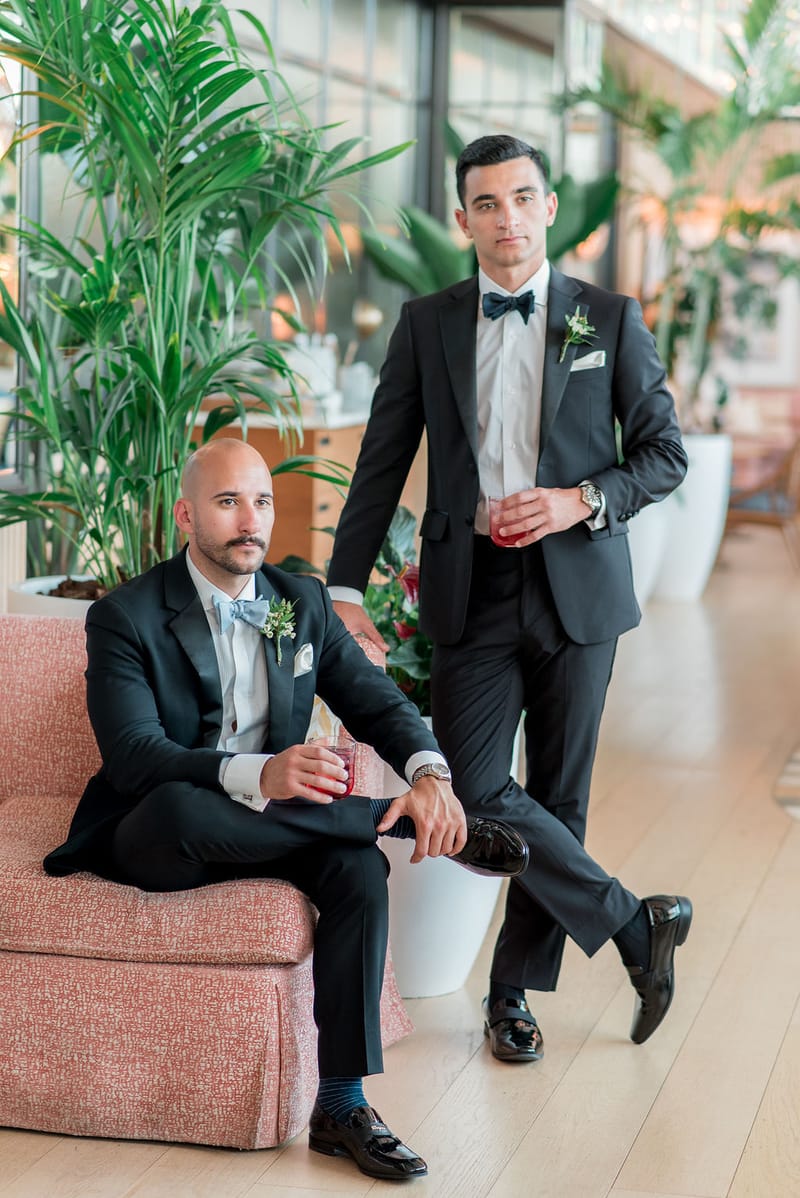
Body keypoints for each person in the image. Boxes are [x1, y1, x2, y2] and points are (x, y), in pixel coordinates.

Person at [43, 436, 528, 1182]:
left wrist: (430, 775)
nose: (250, 521)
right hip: (159, 833)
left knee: (357, 870)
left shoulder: (296, 602)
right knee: (182, 805)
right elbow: (135, 756)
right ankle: (378, 817)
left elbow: (375, 703)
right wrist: (259, 772)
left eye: (261, 501)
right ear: (185, 514)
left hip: (273, 827)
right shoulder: (125, 616)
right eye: (228, 501)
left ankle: (342, 1104)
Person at [327, 134, 693, 1065]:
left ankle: (511, 999)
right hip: (471, 591)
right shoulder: (427, 322)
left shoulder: (608, 317)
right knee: (474, 786)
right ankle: (631, 925)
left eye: (522, 198)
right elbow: (380, 462)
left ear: (549, 206)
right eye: (486, 204)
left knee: (559, 799)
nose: (507, 219)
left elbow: (663, 456)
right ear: (463, 220)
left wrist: (580, 500)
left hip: (579, 594)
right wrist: (342, 585)